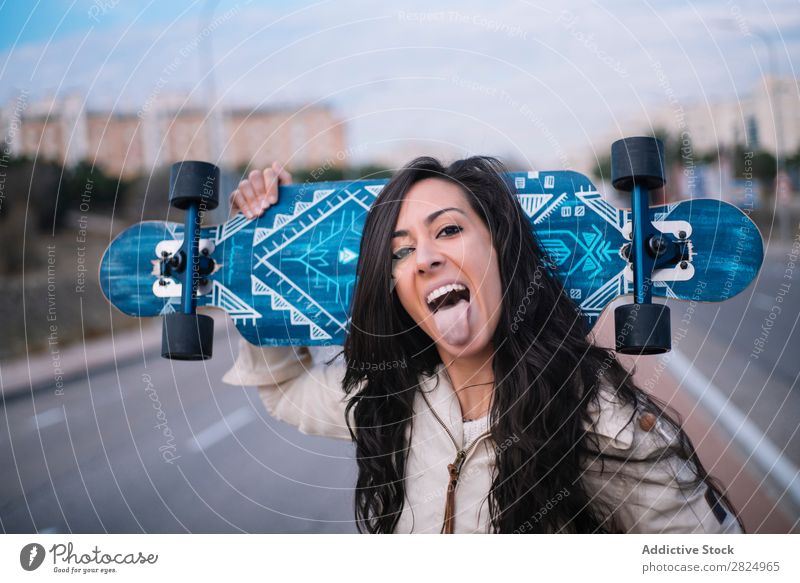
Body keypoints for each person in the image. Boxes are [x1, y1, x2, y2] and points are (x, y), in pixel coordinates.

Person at [222, 158, 744, 534]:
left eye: (448, 229)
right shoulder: (394, 402)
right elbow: (285, 390)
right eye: (400, 252)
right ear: (397, 288)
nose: (424, 257)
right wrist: (269, 239)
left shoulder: (597, 419)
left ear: (503, 251)